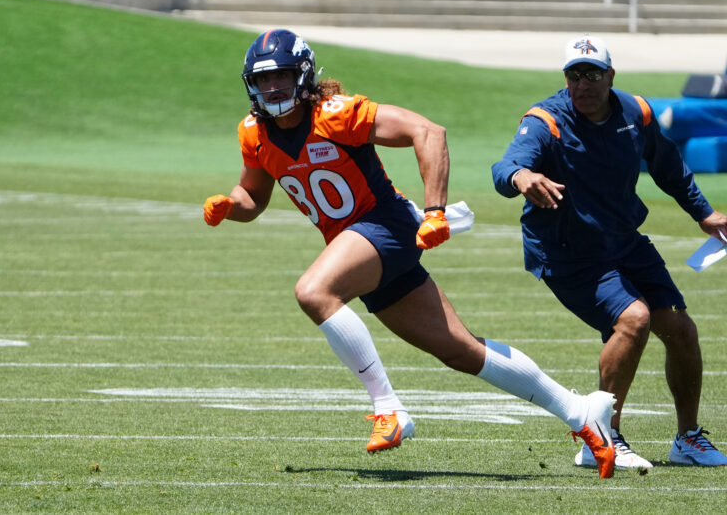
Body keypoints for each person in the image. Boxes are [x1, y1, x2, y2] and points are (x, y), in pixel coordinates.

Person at [204, 28, 617, 478]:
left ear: (303, 75)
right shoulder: (254, 132)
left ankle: (389, 409)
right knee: (462, 351)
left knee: (313, 291)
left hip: (384, 226)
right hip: (359, 245)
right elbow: (253, 196)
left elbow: (428, 132)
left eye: (281, 77)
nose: (272, 88)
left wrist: (435, 211)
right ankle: (580, 412)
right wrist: (231, 207)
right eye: (263, 80)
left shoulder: (337, 114)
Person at [492, 34, 727, 468]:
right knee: (633, 319)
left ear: (610, 75)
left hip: (622, 241)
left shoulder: (635, 111)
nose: (582, 83)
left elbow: (668, 167)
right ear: (565, 78)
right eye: (574, 74)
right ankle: (600, 438)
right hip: (566, 250)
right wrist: (522, 177)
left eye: (592, 74)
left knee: (681, 330)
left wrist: (705, 214)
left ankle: (688, 439)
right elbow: (504, 166)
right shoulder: (546, 119)